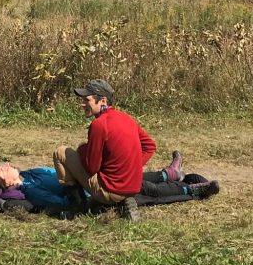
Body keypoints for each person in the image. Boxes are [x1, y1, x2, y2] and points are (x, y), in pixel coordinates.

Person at [54, 78, 181, 221]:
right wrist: (130, 167)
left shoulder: (99, 125)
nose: (82, 104)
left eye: (86, 100)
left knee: (60, 152)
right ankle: (121, 200)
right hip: (133, 187)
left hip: (111, 190)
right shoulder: (127, 118)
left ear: (102, 100)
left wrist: (83, 150)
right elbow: (149, 146)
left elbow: (92, 168)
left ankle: (78, 208)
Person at [0, 159, 218, 216]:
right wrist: (74, 183)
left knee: (124, 173)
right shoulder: (29, 191)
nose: (6, 164)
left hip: (88, 180)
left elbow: (55, 171)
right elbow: (61, 202)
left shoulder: (30, 173)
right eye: (2, 169)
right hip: (87, 193)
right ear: (8, 182)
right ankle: (190, 190)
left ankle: (173, 176)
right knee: (142, 189)